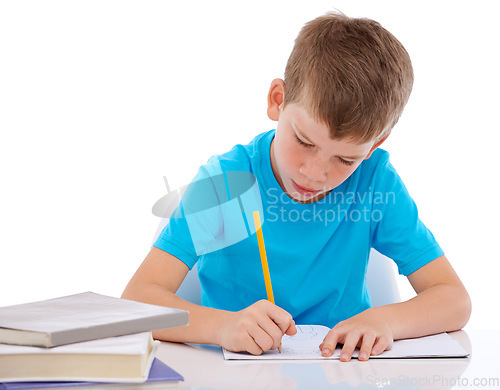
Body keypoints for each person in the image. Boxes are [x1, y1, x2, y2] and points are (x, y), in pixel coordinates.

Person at [122, 12, 471, 362]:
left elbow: (454, 299)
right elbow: (137, 300)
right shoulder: (230, 185)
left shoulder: (374, 183)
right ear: (277, 100)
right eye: (304, 140)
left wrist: (386, 319)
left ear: (375, 145)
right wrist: (221, 327)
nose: (315, 173)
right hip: (235, 379)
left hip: (344, 375)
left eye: (346, 160)